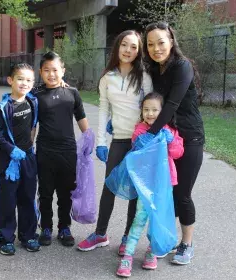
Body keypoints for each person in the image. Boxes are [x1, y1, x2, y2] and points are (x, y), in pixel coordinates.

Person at [77, 30, 153, 254]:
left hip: (139, 142)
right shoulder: (107, 78)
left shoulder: (145, 77)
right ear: (117, 46)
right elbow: (103, 109)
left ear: (138, 52)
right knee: (109, 187)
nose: (128, 50)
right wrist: (101, 141)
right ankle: (100, 234)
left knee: (134, 192)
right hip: (118, 141)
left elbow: (149, 109)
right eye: (125, 45)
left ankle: (128, 237)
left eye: (134, 47)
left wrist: (146, 137)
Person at [144, 22, 205, 265]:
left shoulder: (182, 66)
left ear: (171, 41)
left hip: (189, 138)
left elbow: (171, 105)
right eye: (150, 44)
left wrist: (149, 134)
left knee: (182, 193)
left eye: (161, 42)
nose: (156, 48)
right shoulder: (153, 70)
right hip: (166, 140)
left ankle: (187, 243)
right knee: (165, 193)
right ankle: (167, 239)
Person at [116, 92, 184, 277]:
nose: (150, 113)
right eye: (146, 109)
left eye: (155, 110)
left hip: (164, 184)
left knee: (158, 221)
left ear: (164, 112)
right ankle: (127, 256)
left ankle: (151, 252)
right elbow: (137, 149)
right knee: (139, 220)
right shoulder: (140, 130)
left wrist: (171, 140)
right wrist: (147, 139)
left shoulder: (171, 130)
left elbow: (178, 152)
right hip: (146, 185)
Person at [35, 51, 90, 247]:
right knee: (46, 192)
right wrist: (27, 148)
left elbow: (81, 117)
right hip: (45, 151)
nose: (51, 74)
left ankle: (64, 228)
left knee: (66, 192)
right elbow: (33, 125)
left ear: (63, 71)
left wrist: (89, 139)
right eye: (46, 70)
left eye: (55, 70)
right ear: (41, 72)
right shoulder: (36, 95)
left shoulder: (72, 93)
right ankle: (46, 228)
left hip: (68, 152)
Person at [0, 63, 40, 255]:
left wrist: (64, 83)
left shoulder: (33, 101)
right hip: (8, 162)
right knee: (7, 200)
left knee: (27, 198)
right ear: (10, 81)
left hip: (28, 159)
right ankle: (5, 238)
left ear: (33, 83)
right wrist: (10, 149)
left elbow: (54, 83)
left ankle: (28, 235)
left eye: (28, 80)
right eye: (20, 79)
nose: (24, 83)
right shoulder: (3, 108)